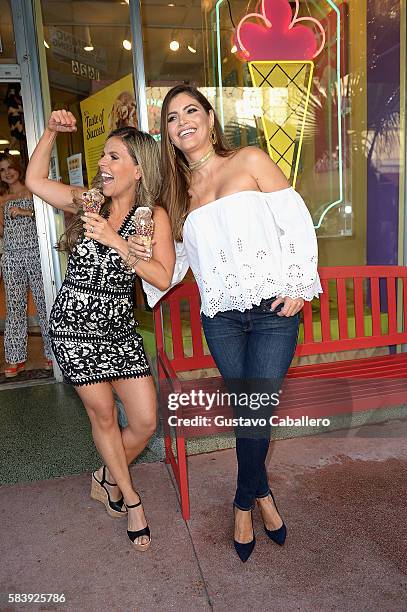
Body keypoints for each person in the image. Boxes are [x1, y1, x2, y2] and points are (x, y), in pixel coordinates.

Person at [129, 85, 322, 562]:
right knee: (247, 409)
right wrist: (133, 254)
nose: (182, 121)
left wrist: (300, 283)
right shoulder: (178, 195)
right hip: (221, 318)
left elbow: (294, 220)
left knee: (256, 404)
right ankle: (262, 495)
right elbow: (175, 267)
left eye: (190, 110)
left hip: (274, 310)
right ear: (169, 135)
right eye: (172, 118)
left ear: (210, 118)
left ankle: (243, 502)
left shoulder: (251, 160)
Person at [25, 110, 175, 552]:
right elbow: (35, 180)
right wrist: (51, 132)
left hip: (119, 331)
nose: (103, 164)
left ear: (138, 169)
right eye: (103, 156)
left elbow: (162, 277)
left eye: (114, 156)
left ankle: (107, 474)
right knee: (104, 417)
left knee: (145, 422)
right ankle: (131, 500)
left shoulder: (154, 217)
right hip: (74, 326)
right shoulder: (88, 201)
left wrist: (115, 240)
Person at [0, 154, 53, 377]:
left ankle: (53, 355)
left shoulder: (33, 189)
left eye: (9, 167)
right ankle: (14, 359)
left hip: (36, 254)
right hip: (11, 257)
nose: (7, 173)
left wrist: (25, 212)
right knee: (14, 309)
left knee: (45, 304)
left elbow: (48, 217)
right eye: (2, 170)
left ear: (18, 168)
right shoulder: (1, 198)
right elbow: (2, 230)